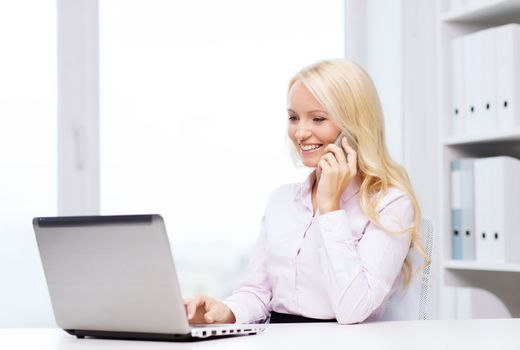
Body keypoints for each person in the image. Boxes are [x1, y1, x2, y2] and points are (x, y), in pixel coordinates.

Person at [184, 59, 429, 325]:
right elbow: (256, 291)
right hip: (277, 338)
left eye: (318, 118)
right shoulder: (281, 201)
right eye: (293, 118)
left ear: (355, 125)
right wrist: (224, 312)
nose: (300, 132)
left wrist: (330, 207)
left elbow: (353, 310)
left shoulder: (389, 204)